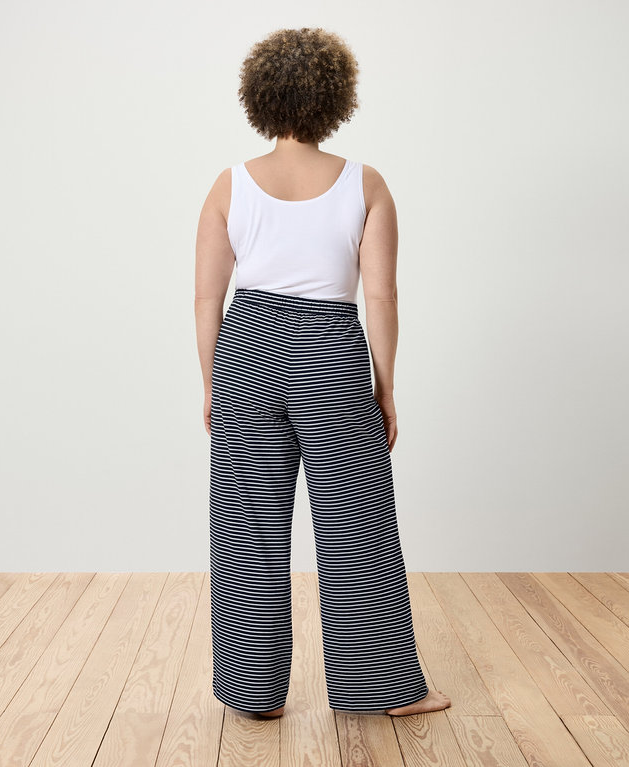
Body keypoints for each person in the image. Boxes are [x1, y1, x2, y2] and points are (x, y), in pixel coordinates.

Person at [194, 26, 451, 718]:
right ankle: (381, 688)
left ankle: (252, 692)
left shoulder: (229, 186)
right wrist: (385, 386)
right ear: (337, 98)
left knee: (246, 526)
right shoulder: (366, 184)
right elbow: (381, 297)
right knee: (356, 523)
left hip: (245, 351)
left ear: (259, 96)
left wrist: (214, 381)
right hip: (331, 354)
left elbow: (206, 297)